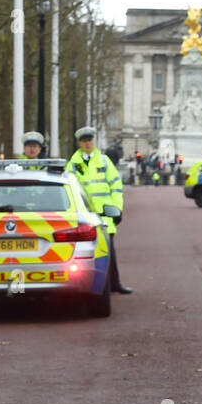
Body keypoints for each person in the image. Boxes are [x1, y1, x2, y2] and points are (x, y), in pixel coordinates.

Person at [65, 126, 132, 294]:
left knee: (109, 252)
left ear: (93, 141)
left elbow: (116, 186)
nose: (88, 143)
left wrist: (117, 209)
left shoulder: (104, 160)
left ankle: (115, 284)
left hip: (105, 214)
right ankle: (90, 285)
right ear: (79, 143)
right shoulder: (72, 164)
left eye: (90, 140)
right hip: (84, 215)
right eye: (84, 141)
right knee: (86, 253)